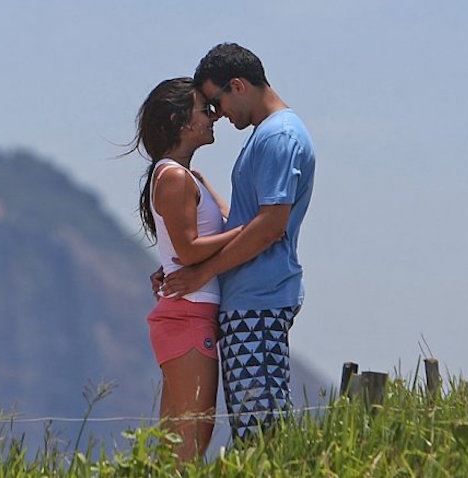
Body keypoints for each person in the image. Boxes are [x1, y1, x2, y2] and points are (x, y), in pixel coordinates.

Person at [156, 43, 316, 441]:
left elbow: (270, 225)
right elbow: (246, 222)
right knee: (252, 424)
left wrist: (203, 272)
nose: (219, 114)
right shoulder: (269, 136)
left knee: (260, 431)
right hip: (250, 299)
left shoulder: (278, 137)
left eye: (217, 101)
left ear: (238, 86)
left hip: (258, 298)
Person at [129, 77, 243, 461]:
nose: (213, 116)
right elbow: (190, 250)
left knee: (179, 440)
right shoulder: (174, 177)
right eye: (203, 110)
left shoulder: (188, 177)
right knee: (191, 440)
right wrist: (252, 231)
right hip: (189, 315)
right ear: (179, 122)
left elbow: (216, 228)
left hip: (191, 313)